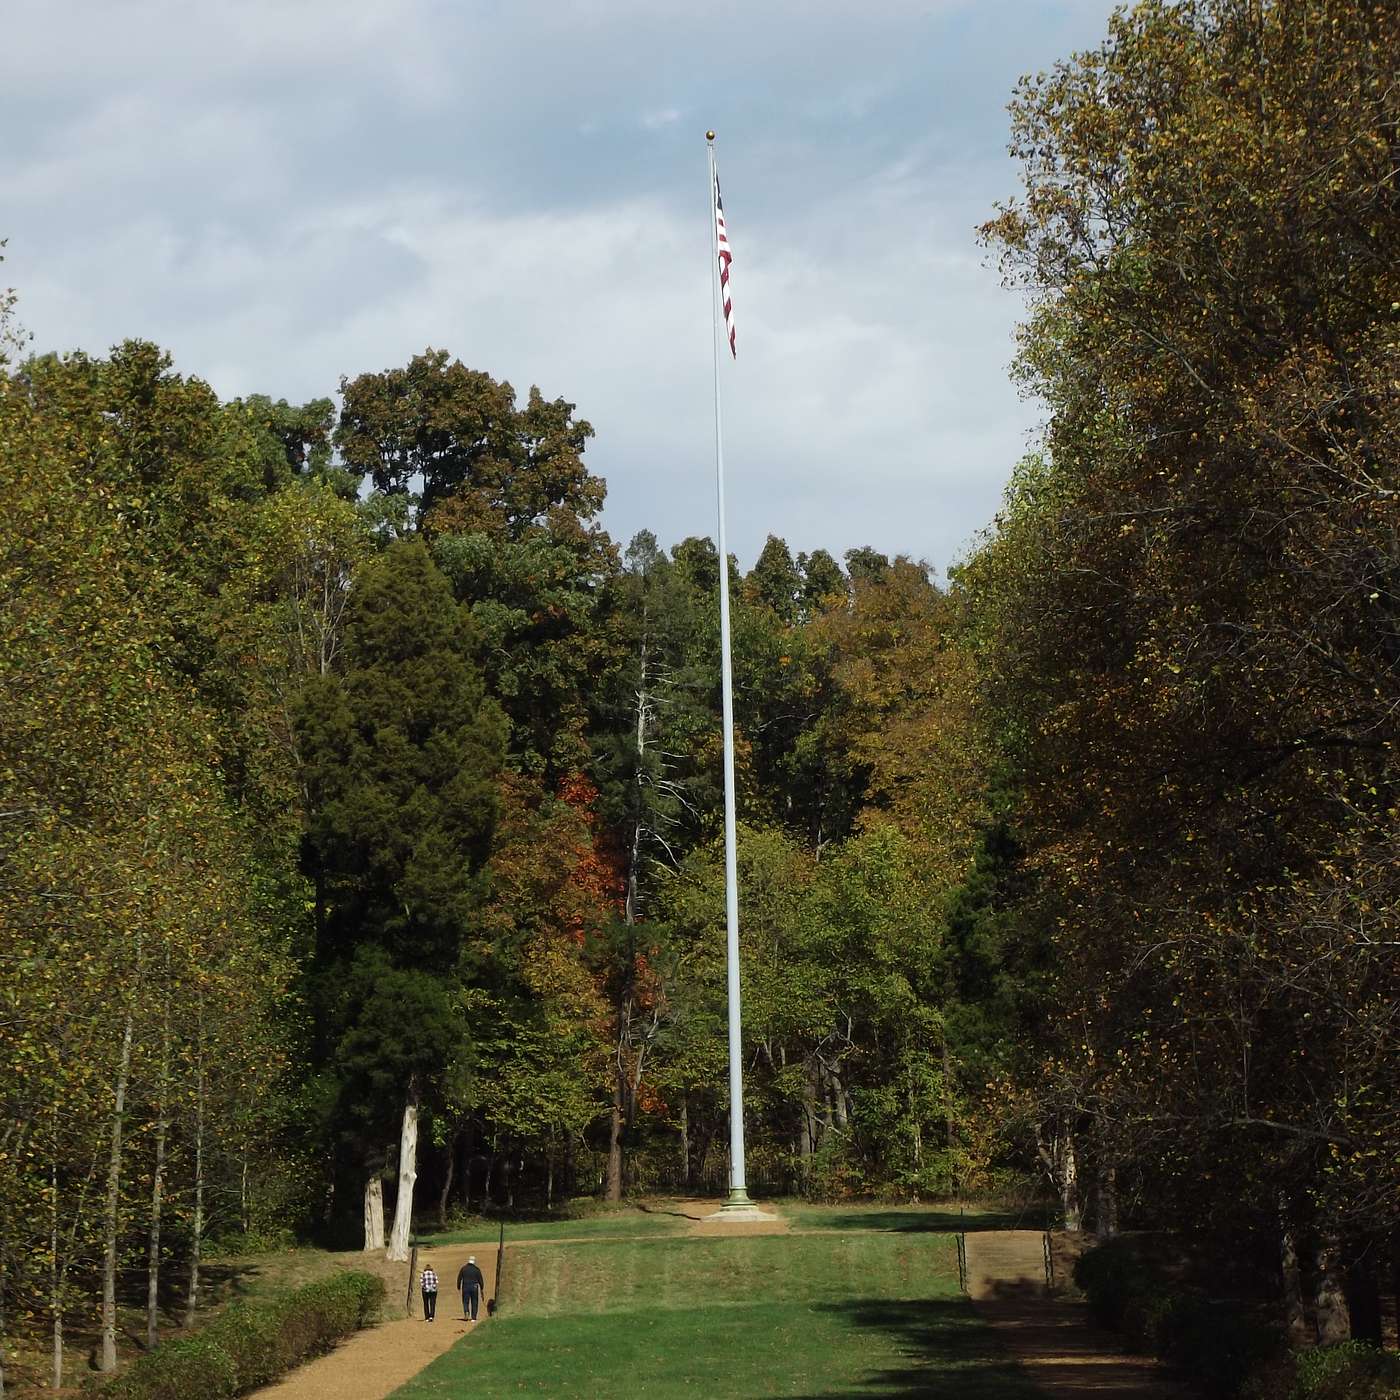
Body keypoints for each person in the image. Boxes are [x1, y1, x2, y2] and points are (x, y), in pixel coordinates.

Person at [457, 1255, 485, 1321]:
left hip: (465, 1286)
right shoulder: (477, 1269)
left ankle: (466, 1311)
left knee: (465, 1301)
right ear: (474, 1261)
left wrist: (458, 1286)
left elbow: (459, 1278)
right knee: (474, 1301)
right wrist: (481, 1288)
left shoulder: (463, 1268)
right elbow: (480, 1280)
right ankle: (473, 1317)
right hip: (474, 1286)